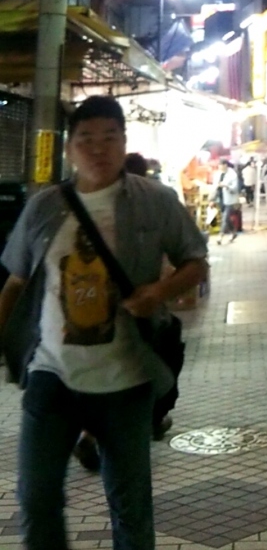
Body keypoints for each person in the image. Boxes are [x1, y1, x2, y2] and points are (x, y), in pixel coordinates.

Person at [0, 94, 208, 550]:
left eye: (109, 137)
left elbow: (195, 261)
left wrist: (158, 293)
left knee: (130, 506)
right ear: (69, 148)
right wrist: (10, 352)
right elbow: (14, 283)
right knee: (35, 497)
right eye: (87, 139)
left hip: (126, 381)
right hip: (52, 376)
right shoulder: (43, 207)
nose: (98, 149)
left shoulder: (155, 201)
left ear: (124, 142)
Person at [214, 158, 241, 244]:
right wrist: (212, 199)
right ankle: (233, 232)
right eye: (219, 165)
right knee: (226, 217)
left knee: (225, 217)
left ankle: (220, 236)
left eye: (221, 165)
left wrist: (226, 186)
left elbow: (235, 188)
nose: (219, 167)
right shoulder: (217, 174)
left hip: (230, 199)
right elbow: (214, 186)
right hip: (220, 198)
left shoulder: (232, 174)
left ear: (225, 165)